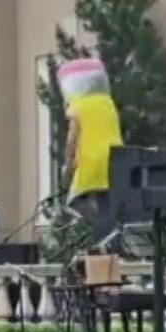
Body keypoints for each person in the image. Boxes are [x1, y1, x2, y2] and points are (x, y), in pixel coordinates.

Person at [59, 58, 123, 241]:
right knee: (105, 201)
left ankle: (104, 233)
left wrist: (68, 166)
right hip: (116, 158)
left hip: (90, 159)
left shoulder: (78, 106)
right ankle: (112, 240)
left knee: (74, 200)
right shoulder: (108, 103)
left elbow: (72, 139)